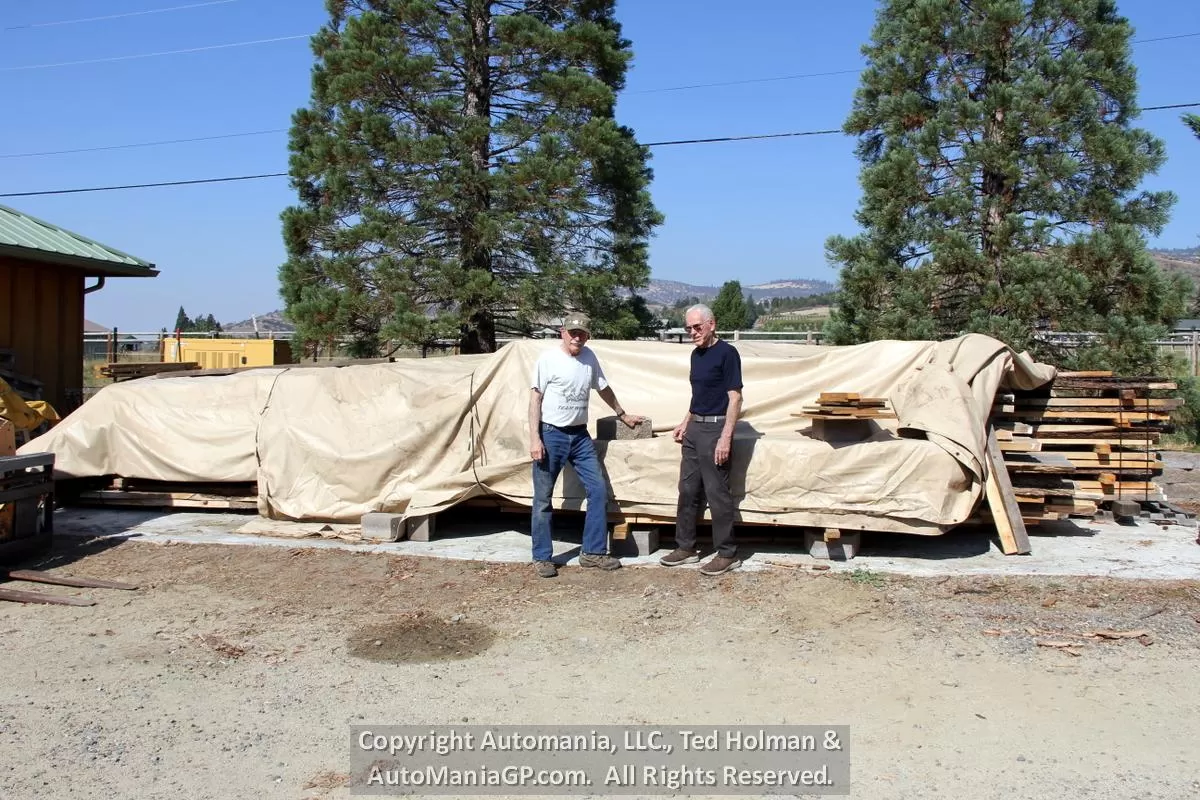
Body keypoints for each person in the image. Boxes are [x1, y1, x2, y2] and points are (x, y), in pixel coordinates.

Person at [529, 313, 644, 578]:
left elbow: (603, 388)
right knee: (543, 498)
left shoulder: (589, 358)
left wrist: (621, 413)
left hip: (580, 436)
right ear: (563, 332)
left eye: (582, 333)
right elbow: (535, 399)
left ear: (588, 335)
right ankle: (542, 557)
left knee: (598, 490)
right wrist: (535, 438)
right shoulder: (548, 360)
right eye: (573, 332)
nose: (577, 337)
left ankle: (592, 552)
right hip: (551, 434)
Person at [660, 303, 744, 575]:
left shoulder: (728, 354)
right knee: (687, 491)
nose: (693, 332)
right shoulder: (696, 355)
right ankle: (686, 547)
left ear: (712, 324)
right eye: (688, 328)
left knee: (717, 493)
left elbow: (735, 398)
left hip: (716, 429)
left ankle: (727, 553)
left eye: (697, 327)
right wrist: (685, 422)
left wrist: (725, 438)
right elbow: (698, 396)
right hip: (695, 430)